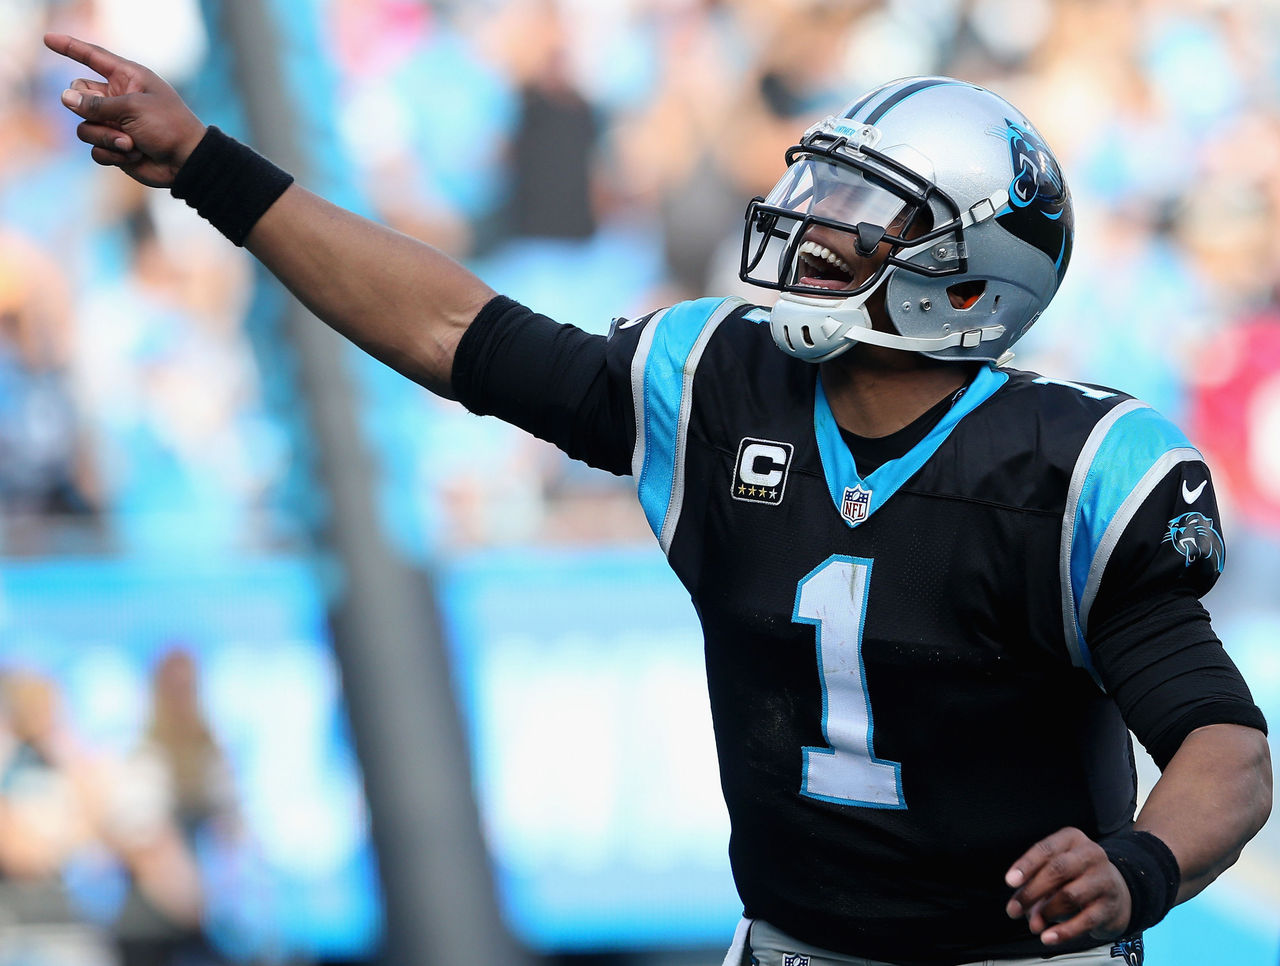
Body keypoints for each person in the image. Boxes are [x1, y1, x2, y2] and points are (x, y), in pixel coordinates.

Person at [43, 34, 1272, 966]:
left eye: (860, 214)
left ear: (962, 279)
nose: (811, 225)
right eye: (823, 191)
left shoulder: (1066, 472)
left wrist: (1140, 866)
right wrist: (209, 168)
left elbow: (1223, 744)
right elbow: (454, 330)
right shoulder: (718, 381)